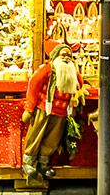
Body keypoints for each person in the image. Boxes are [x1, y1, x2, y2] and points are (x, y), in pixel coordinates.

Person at [21, 44, 85, 187]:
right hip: (44, 108)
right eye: (63, 54)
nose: (66, 58)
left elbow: (80, 84)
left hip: (61, 111)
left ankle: (44, 162)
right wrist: (29, 108)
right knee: (36, 134)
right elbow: (33, 86)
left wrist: (79, 93)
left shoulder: (72, 70)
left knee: (53, 138)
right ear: (56, 56)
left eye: (69, 55)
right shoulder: (47, 69)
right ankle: (29, 162)